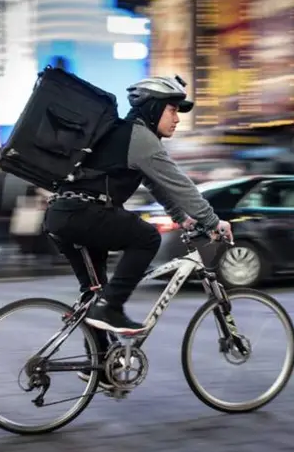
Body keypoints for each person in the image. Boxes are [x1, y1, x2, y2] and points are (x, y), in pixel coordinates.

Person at [43, 75, 233, 335]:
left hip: (62, 214)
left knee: (95, 295)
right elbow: (180, 184)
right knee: (147, 238)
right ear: (154, 107)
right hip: (84, 213)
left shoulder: (124, 134)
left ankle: (97, 369)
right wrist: (212, 221)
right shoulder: (140, 138)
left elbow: (156, 184)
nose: (177, 118)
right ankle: (111, 307)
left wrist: (181, 218)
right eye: (173, 110)